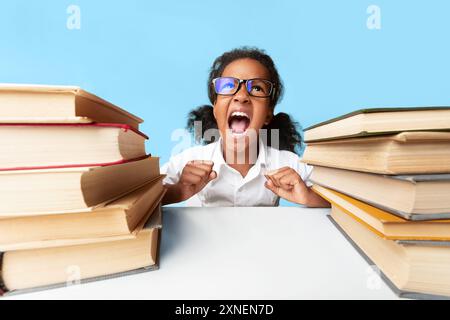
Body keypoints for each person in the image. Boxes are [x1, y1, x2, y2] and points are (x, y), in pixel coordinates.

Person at [161, 47, 330, 208]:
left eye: (257, 88)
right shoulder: (188, 161)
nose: (241, 96)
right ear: (215, 108)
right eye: (228, 86)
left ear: (268, 114)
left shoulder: (288, 163)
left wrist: (308, 196)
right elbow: (138, 200)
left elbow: (346, 203)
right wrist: (179, 190)